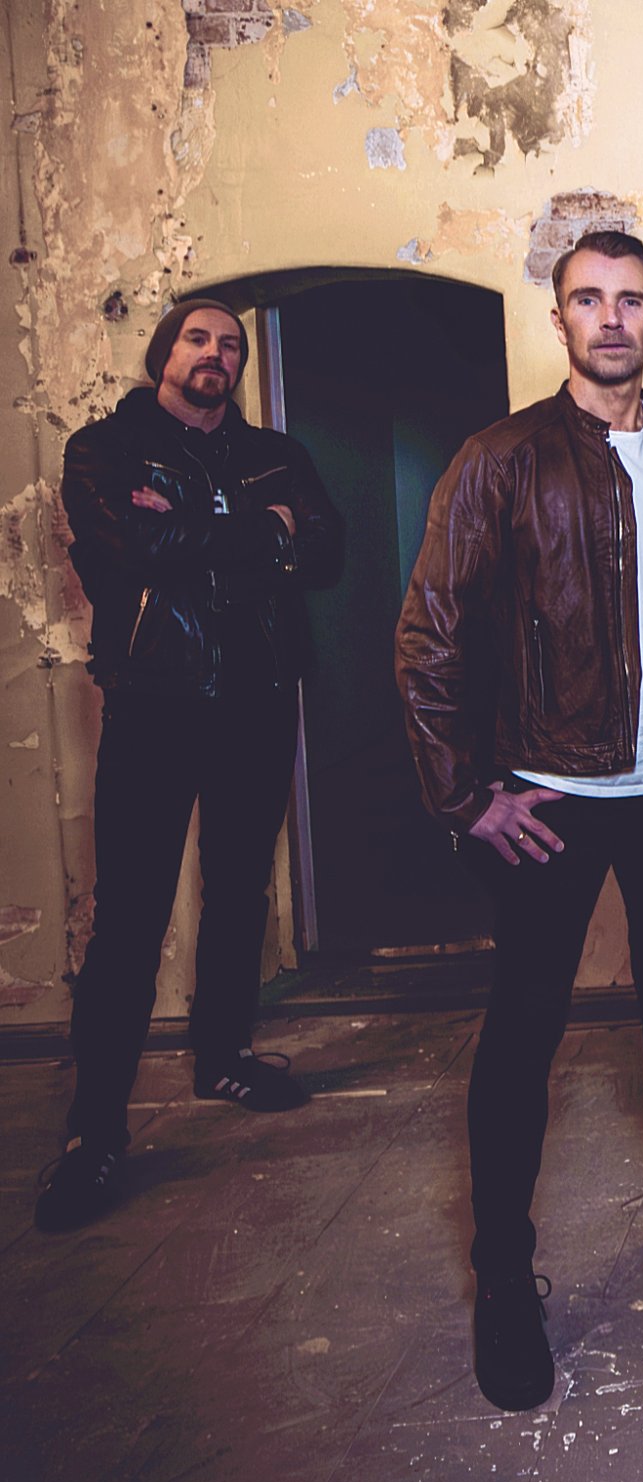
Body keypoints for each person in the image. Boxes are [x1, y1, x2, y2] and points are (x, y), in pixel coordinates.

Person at [394, 230, 643, 1413]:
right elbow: (428, 636)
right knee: (524, 1030)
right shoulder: (501, 459)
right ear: (560, 319)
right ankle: (501, 1272)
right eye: (588, 299)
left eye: (631, 299)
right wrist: (465, 794)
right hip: (550, 795)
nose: (611, 318)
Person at [35, 299, 344, 1234]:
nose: (217, 354)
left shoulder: (275, 452)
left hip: (258, 698)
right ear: (163, 354)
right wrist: (264, 531)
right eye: (199, 339)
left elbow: (326, 550)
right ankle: (95, 1134)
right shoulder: (105, 450)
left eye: (231, 345)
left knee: (240, 889)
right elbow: (133, 548)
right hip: (155, 703)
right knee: (130, 916)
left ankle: (223, 1058)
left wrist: (200, 533)